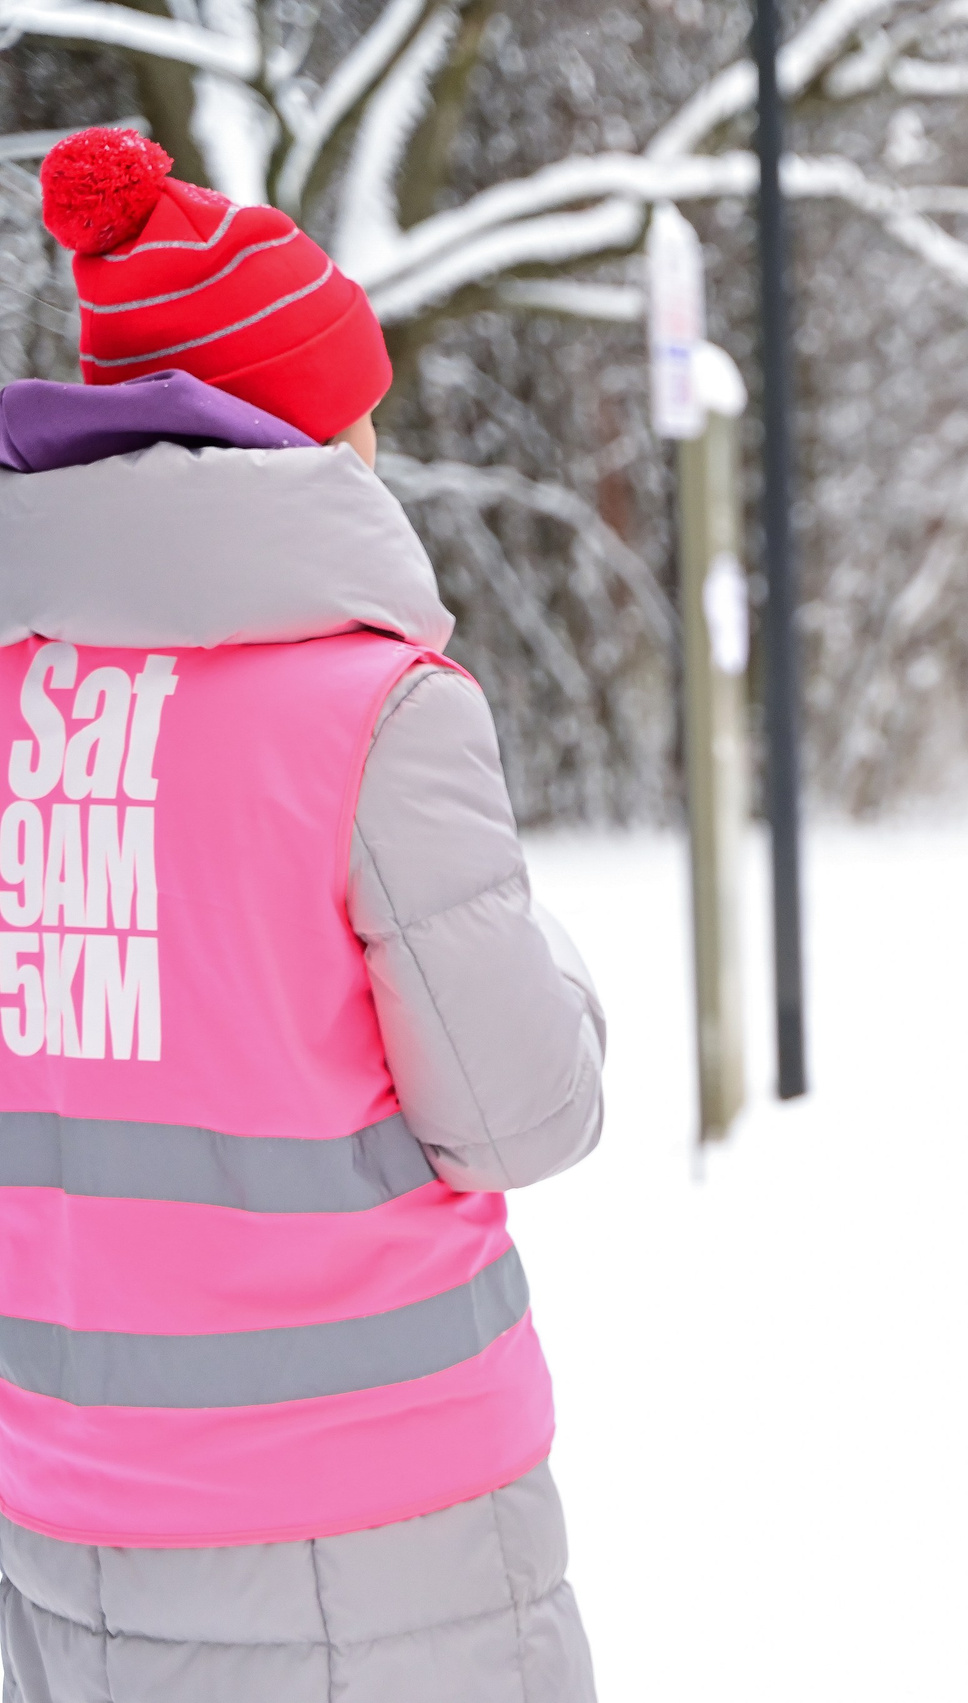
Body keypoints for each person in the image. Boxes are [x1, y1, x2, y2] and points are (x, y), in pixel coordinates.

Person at [0, 128, 603, 1699]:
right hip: (377, 1517)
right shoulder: (374, 706)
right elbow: (522, 1112)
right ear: (307, 433)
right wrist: (563, 972)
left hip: (56, 1500)